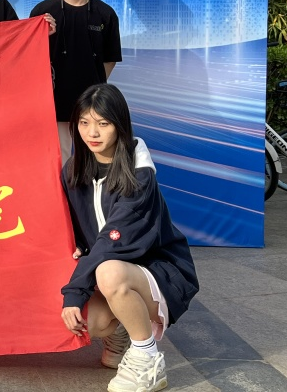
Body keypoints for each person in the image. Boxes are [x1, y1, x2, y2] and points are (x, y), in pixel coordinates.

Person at [61, 84, 198, 392]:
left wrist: (75, 291)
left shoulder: (138, 175)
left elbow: (113, 241)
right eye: (84, 122)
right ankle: (120, 330)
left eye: (103, 123)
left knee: (108, 272)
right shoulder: (74, 169)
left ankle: (148, 359)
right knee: (89, 320)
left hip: (159, 272)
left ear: (120, 125)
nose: (92, 132)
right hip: (108, 269)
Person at [30, 0, 122, 164]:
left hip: (92, 101)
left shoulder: (105, 14)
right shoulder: (42, 12)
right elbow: (30, 56)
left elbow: (110, 58)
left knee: (92, 156)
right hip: (53, 98)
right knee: (59, 156)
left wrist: (94, 85)